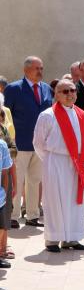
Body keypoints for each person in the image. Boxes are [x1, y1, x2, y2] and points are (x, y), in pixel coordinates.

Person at [32, 80, 84, 252]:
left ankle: (71, 238)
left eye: (72, 90)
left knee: (73, 201)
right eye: (65, 91)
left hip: (75, 164)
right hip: (55, 161)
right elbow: (38, 143)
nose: (70, 94)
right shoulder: (47, 115)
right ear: (56, 94)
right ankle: (52, 238)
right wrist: (50, 159)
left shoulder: (83, 115)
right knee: (54, 200)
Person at [4, 56, 53, 228]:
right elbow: (6, 117)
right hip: (19, 144)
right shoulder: (14, 88)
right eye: (36, 68)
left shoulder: (46, 89)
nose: (40, 71)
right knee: (17, 181)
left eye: (41, 68)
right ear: (26, 70)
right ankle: (13, 216)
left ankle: (32, 215)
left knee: (35, 180)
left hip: (40, 144)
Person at [0, 108, 16, 263]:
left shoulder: (2, 142)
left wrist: (7, 189)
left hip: (2, 186)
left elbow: (13, 151)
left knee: (3, 219)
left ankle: (2, 250)